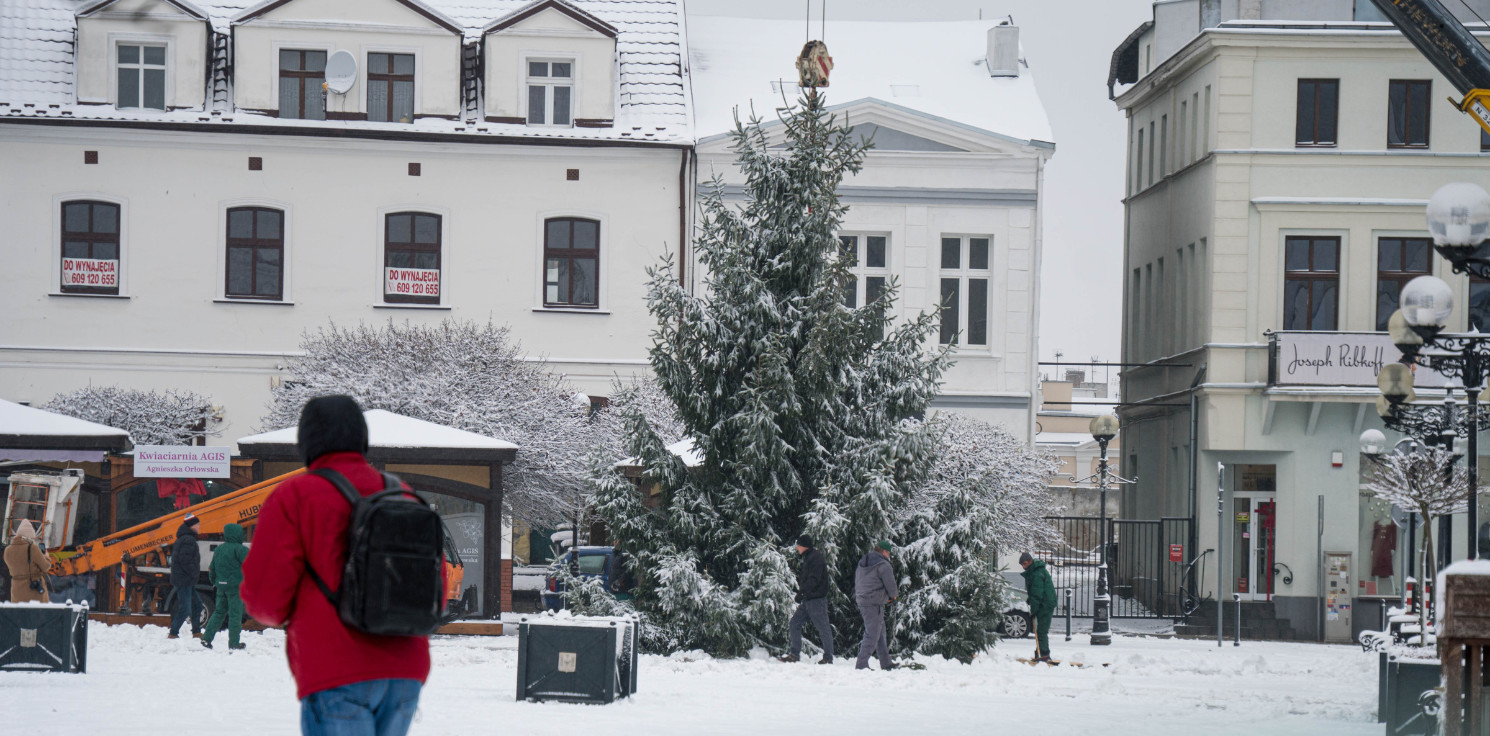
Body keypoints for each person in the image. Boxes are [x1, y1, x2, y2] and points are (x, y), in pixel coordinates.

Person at [242, 395, 430, 736]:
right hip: (406, 670)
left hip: (336, 669)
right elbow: (432, 591)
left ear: (307, 442)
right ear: (362, 438)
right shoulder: (401, 493)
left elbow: (264, 602)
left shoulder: (295, 495)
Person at [779, 534, 833, 664]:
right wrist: (802, 594)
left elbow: (813, 580)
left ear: (804, 546)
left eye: (798, 545)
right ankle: (794, 654)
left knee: (823, 628)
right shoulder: (810, 557)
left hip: (816, 600)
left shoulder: (815, 558)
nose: (797, 547)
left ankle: (828, 658)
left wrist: (802, 592)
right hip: (808, 599)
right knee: (794, 624)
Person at [853, 539, 899, 671]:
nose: (889, 556)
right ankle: (861, 665)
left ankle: (886, 663)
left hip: (863, 600)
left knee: (880, 633)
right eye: (889, 553)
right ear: (884, 551)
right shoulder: (883, 564)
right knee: (872, 634)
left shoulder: (863, 561)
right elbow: (890, 584)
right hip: (874, 602)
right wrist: (893, 596)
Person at [202, 522, 249, 651]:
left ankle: (206, 639)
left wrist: (215, 582)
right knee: (235, 615)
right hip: (235, 588)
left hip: (221, 587)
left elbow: (212, 569)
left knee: (218, 613)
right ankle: (233, 644)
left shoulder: (219, 549)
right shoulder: (241, 550)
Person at [167, 514, 203, 639]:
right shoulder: (188, 540)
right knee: (185, 608)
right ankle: (173, 633)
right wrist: (194, 573)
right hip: (184, 580)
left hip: (186, 579)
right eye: (197, 524)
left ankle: (196, 632)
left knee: (197, 604)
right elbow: (185, 560)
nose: (199, 527)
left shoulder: (185, 538)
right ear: (192, 526)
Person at [1020, 552, 1057, 662]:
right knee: (1041, 629)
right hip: (1044, 602)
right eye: (1022, 564)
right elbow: (1035, 593)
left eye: (1025, 563)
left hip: (1045, 604)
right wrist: (1030, 599)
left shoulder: (1037, 573)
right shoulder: (1035, 571)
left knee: (1041, 630)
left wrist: (1034, 610)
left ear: (1030, 561)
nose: (1023, 566)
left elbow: (1037, 593)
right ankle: (1040, 651)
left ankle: (1044, 654)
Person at [5, 520, 51, 603]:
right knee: (35, 615)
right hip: (33, 590)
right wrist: (46, 557)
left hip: (16, 590)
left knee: (19, 614)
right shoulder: (32, 548)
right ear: (29, 537)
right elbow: (46, 567)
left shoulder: (8, 550)